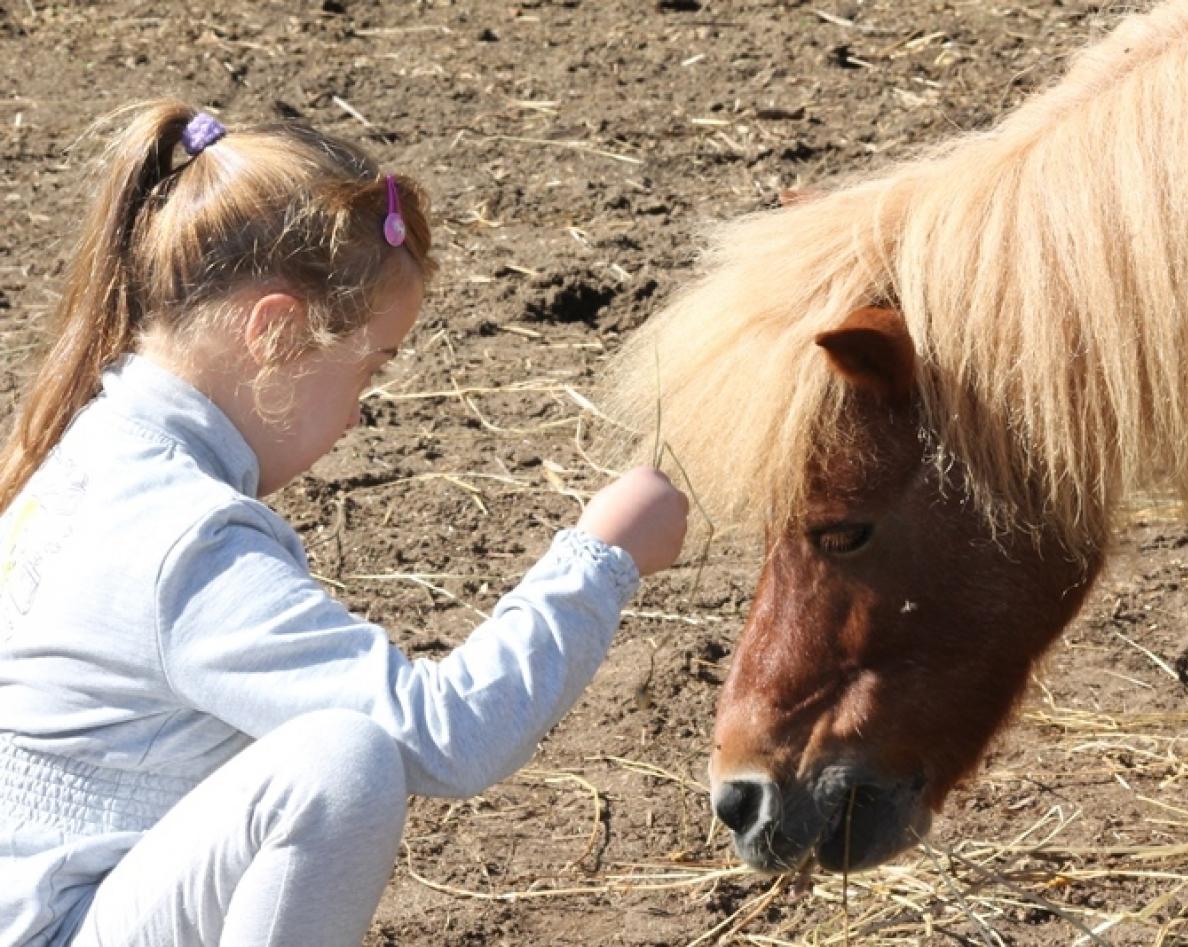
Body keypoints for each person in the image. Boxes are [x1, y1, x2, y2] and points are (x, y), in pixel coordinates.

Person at [0, 101, 689, 947]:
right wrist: (601, 558)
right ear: (278, 331)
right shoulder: (183, 539)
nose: (360, 414)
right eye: (369, 367)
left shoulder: (87, 450)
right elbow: (446, 733)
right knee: (339, 766)